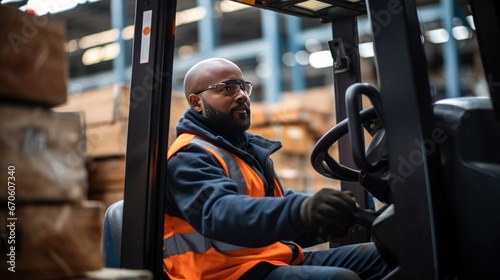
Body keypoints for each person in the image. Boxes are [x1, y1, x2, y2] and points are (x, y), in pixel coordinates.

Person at [163, 57, 390, 280]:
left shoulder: (244, 152)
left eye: (243, 87)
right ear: (196, 103)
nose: (241, 95)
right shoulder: (189, 155)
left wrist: (324, 221)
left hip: (271, 260)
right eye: (227, 88)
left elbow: (270, 213)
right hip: (225, 273)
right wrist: (301, 210)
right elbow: (222, 213)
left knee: (391, 253)